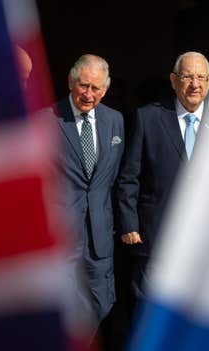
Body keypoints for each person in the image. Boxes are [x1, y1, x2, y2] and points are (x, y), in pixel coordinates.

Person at [116, 51, 209, 296]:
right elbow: (129, 176)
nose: (195, 85)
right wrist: (129, 223)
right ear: (173, 80)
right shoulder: (148, 117)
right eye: (188, 77)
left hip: (208, 239)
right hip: (156, 236)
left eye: (201, 77)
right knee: (150, 309)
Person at [53, 54, 125, 325]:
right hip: (63, 228)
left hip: (99, 228)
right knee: (63, 302)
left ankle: (76, 347)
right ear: (71, 82)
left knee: (102, 300)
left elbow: (114, 176)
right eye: (84, 85)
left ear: (105, 90)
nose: (88, 94)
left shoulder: (115, 121)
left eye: (96, 88)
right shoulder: (48, 119)